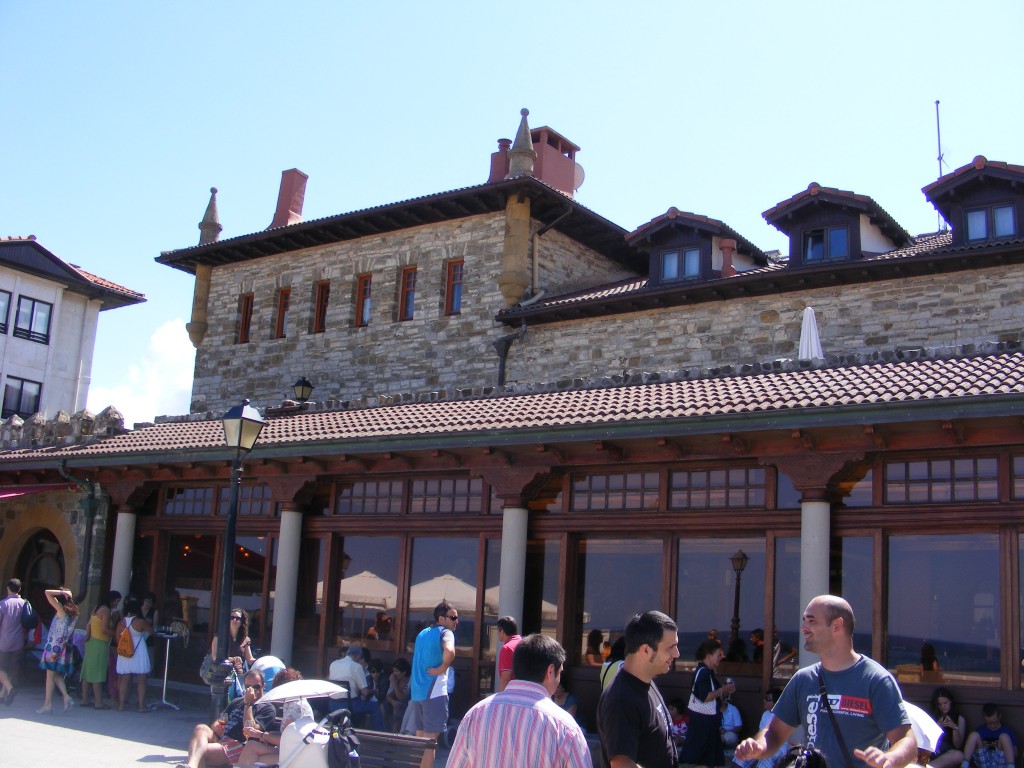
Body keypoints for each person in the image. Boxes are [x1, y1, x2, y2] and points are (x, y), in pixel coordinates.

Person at [735, 595, 916, 768]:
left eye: (811, 620)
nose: (803, 627)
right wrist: (758, 747)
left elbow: (906, 742)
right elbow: (774, 733)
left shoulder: (875, 680)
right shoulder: (803, 679)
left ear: (837, 625)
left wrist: (888, 759)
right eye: (804, 620)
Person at [447, 633, 592, 768]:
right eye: (559, 672)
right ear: (550, 671)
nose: (559, 678)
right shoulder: (564, 726)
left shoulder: (476, 714)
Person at [597, 610, 680, 768]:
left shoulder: (647, 683)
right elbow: (622, 764)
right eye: (671, 647)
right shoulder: (621, 699)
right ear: (646, 650)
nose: (676, 654)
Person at [177, 668, 276, 768]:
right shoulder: (237, 701)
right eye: (248, 687)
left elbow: (250, 731)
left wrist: (248, 704)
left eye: (256, 687)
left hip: (239, 745)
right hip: (222, 739)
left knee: (202, 750)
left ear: (263, 686)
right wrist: (216, 725)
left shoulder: (267, 708)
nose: (252, 690)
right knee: (201, 728)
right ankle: (190, 766)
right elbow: (220, 721)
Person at [407, 600, 457, 768]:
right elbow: (449, 650)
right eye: (453, 617)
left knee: (419, 738)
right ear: (441, 619)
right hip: (434, 692)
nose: (456, 621)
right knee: (430, 741)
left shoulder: (422, 634)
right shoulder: (446, 633)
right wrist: (443, 667)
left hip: (417, 693)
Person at [678, 637, 736, 768]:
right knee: (704, 760)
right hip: (703, 723)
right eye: (718, 655)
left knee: (709, 760)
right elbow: (704, 696)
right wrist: (723, 690)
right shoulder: (703, 672)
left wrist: (723, 692)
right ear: (709, 655)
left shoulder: (707, 672)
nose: (721, 657)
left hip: (707, 722)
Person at [235, 667, 309, 767]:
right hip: (290, 749)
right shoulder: (293, 703)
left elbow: (286, 739)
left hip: (295, 753)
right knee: (253, 756)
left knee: (252, 749)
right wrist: (268, 734)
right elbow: (286, 733)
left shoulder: (295, 706)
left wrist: (261, 735)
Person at [37, 586, 79, 714]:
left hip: (54, 647)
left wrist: (62, 592)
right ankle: (66, 697)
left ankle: (47, 704)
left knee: (50, 676)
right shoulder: (74, 612)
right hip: (63, 647)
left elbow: (46, 592)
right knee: (55, 675)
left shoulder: (61, 610)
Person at [328, 643, 385, 729]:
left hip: (332, 704)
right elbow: (365, 692)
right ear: (358, 656)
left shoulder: (333, 664)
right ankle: (379, 734)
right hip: (349, 704)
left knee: (360, 703)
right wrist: (373, 691)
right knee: (375, 707)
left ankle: (355, 728)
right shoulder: (356, 666)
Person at [80, 589, 121, 708]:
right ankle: (98, 702)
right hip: (100, 644)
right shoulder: (106, 611)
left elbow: (89, 624)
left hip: (91, 642)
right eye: (116, 601)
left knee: (87, 673)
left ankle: (84, 700)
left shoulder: (96, 608)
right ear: (111, 600)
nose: (117, 604)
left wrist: (88, 635)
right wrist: (117, 633)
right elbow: (104, 629)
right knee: (97, 673)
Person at [115, 594, 154, 711]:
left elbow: (117, 638)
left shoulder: (121, 622)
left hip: (125, 651)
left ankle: (121, 705)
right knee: (142, 679)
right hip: (139, 650)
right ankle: (141, 706)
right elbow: (151, 631)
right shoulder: (141, 622)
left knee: (124, 678)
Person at [737, 687, 788, 768]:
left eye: (768, 699)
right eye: (764, 698)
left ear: (776, 702)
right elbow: (761, 734)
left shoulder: (784, 717)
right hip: (763, 746)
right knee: (740, 758)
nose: (764, 700)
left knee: (765, 761)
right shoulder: (765, 714)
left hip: (780, 749)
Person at [0, 578, 29, 706]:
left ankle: (10, 689)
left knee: (1, 668)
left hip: (4, 641)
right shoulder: (24, 603)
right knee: (12, 670)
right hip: (19, 641)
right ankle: (2, 696)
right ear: (20, 590)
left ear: (8, 588)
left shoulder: (4, 604)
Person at [961, 703, 1017, 768]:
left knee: (1004, 737)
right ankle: (964, 764)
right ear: (985, 719)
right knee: (973, 735)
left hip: (1000, 761)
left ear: (999, 717)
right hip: (984, 761)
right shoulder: (981, 730)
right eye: (989, 723)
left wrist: (1003, 747)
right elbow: (974, 752)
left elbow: (1015, 754)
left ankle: (1011, 766)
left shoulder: (1007, 731)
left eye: (995, 722)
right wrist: (983, 746)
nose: (992, 726)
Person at [929, 687, 966, 768]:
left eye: (945, 703)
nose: (943, 706)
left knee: (959, 755)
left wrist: (954, 728)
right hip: (933, 750)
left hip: (948, 753)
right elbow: (927, 741)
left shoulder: (959, 719)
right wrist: (937, 727)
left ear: (950, 701)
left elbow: (958, 745)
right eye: (940, 704)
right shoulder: (933, 717)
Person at [495, 615, 522, 692]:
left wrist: (500, 699)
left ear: (502, 631)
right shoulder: (526, 644)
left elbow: (505, 679)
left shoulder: (507, 648)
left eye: (498, 630)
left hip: (513, 693)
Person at [385, 657, 411, 731]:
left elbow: (402, 698)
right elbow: (387, 696)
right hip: (396, 704)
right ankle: (385, 730)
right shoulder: (394, 678)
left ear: (404, 672)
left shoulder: (410, 680)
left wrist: (394, 683)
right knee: (383, 706)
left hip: (408, 704)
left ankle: (396, 731)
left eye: (396, 671)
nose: (394, 673)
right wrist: (393, 702)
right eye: (393, 671)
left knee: (398, 707)